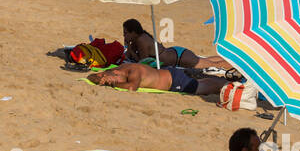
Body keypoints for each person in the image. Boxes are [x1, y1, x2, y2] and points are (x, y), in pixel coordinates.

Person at [89, 60, 230, 96]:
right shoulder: (115, 70)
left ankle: (238, 86)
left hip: (176, 82)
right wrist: (98, 79)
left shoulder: (134, 71)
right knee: (209, 81)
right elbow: (93, 76)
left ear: (117, 75)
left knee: (216, 86)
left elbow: (132, 87)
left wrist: (113, 85)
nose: (112, 82)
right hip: (170, 73)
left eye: (113, 80)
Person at [121, 18, 202, 69]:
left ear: (134, 32)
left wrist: (130, 50)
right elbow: (128, 57)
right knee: (206, 61)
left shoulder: (141, 40)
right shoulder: (137, 40)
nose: (123, 35)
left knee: (207, 63)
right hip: (175, 54)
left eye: (126, 33)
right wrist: (128, 46)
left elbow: (143, 63)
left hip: (178, 58)